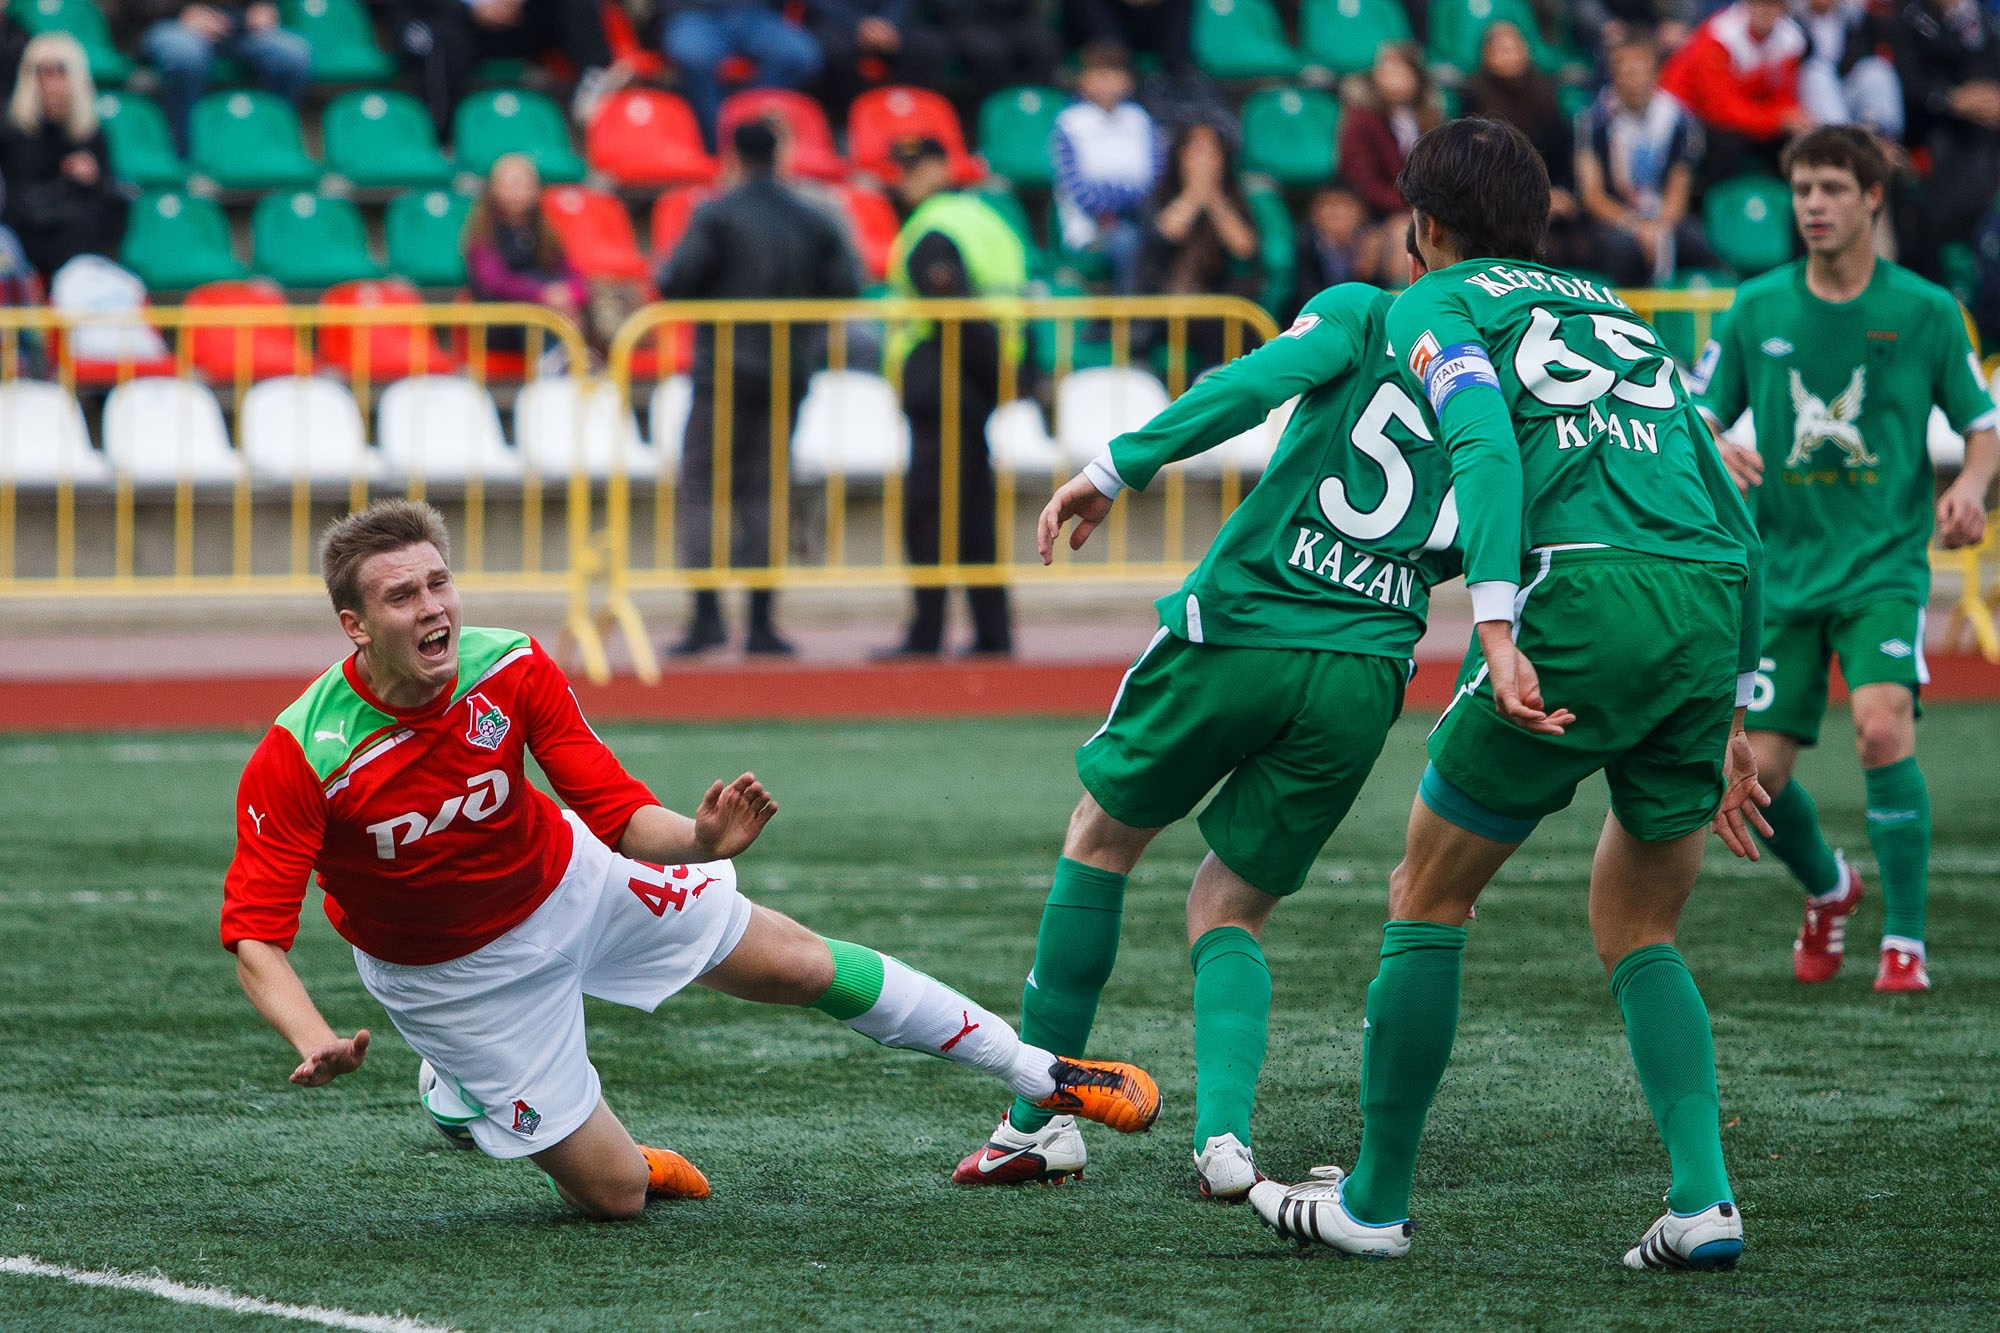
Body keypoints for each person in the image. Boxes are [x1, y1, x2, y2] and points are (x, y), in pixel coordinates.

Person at [222, 499, 1161, 1220]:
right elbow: (257, 936)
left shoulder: (508, 665)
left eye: (439, 583)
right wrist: (312, 1036)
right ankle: (460, 1090)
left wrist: (701, 841)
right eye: (403, 596)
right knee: (616, 1197)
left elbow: (616, 810)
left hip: (573, 881)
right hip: (453, 978)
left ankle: (1041, 1073)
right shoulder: (302, 751)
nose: (434, 607)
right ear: (355, 625)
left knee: (800, 962)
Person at [1249, 118, 1769, 1272]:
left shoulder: (1433, 301)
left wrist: (1492, 626)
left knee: (1425, 893)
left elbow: (1481, 442)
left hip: (1575, 599)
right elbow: (1729, 511)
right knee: (1640, 924)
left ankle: (1373, 1201)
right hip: (1701, 608)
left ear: (1424, 226)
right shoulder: (1613, 310)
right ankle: (1702, 1200)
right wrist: (1734, 702)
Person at [950, 279, 1462, 1197]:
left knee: (1099, 839)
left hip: (1247, 625)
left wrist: (1117, 466)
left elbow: (1253, 384)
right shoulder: (1511, 366)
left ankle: (1036, 1123)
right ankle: (1224, 1142)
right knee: (1230, 907)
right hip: (1370, 663)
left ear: (1423, 227)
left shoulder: (1368, 312)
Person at [1693, 127, 1998, 993]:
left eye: (1831, 188)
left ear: (1872, 197)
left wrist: (1970, 485)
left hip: (1882, 567)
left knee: (1880, 724)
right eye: (1802, 190)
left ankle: (1905, 942)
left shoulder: (1926, 309)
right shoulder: (1756, 306)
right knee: (1759, 773)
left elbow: (1982, 426)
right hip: (1779, 573)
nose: (1813, 205)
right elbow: (1697, 416)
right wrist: (1713, 447)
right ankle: (1830, 887)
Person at [657, 119, 860, 658]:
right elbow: (846, 284)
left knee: (703, 487)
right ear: (780, 155)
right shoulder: (812, 216)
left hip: (722, 371)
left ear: (733, 157)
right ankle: (762, 623)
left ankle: (707, 617)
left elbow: (676, 280)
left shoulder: (716, 213)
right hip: (786, 370)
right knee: (766, 492)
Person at [877, 135, 1024, 657]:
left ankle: (927, 633)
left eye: (914, 167)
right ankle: (992, 632)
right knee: (973, 514)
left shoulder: (931, 230)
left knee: (930, 514)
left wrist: (990, 369)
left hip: (945, 383)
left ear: (942, 167)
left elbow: (956, 316)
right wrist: (1005, 375)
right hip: (976, 385)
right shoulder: (987, 220)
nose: (905, 178)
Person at [1574, 36, 1719, 285]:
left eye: (1640, 70)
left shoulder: (1680, 120)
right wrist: (1635, 225)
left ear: (1655, 73)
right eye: (1626, 71)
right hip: (1615, 217)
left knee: (1699, 247)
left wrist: (1657, 228)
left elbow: (1678, 189)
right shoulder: (1592, 120)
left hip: (1663, 214)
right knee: (1622, 250)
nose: (1634, 79)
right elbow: (1592, 196)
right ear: (1614, 74)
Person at [394, 0, 619, 144]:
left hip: (517, 20)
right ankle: (443, 141)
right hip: (457, 23)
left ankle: (593, 80)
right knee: (441, 42)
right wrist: (472, 8)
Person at [0, 34, 126, 285]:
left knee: (96, 214)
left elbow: (106, 196)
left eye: (61, 71)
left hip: (71, 234)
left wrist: (94, 178)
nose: (52, 81)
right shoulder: (10, 128)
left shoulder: (91, 132)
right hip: (22, 226)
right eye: (43, 72)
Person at [1133, 120, 1257, 369]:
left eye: (1211, 153)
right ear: (1180, 157)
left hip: (1219, 305)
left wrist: (1213, 200)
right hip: (1164, 305)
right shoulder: (1159, 197)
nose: (1203, 161)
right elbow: (1164, 236)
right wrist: (1193, 197)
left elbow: (1244, 248)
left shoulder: (1236, 199)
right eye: (1196, 151)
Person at [1890, 0, 2000, 282]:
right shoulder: (1908, 20)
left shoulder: (1986, 21)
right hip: (1933, 134)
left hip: (1986, 134)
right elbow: (1908, 82)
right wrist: (1951, 98)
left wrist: (1989, 102)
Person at [1659, 0, 1811, 183]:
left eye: (1773, 4)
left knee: (1793, 140)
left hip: (1746, 111)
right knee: (1727, 143)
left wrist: (1792, 119)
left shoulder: (1790, 39)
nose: (1765, 10)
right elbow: (1720, 109)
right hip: (1687, 109)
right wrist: (1777, 120)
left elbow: (1783, 96)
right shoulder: (1720, 35)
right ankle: (1714, 198)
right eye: (1759, 4)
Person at [1049, 42, 1159, 293]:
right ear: (1083, 79)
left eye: (1114, 72)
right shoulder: (1069, 124)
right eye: (1099, 72)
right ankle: (1128, 314)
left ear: (1128, 80)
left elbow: (1152, 179)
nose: (1107, 81)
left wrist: (1124, 199)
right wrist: (1119, 202)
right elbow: (1078, 189)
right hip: (1090, 227)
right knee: (1127, 240)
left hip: (1143, 217)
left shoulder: (1140, 120)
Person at [138, 0, 312, 157]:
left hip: (241, 25)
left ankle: (272, 147)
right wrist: (180, 11)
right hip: (173, 22)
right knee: (185, 56)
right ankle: (185, 155)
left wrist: (264, 5)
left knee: (293, 55)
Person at [1337, 42, 1443, 288]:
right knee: (1402, 231)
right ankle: (1400, 296)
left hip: (1421, 207)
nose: (1393, 78)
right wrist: (1412, 205)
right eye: (1387, 70)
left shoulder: (1430, 118)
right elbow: (1363, 184)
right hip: (1374, 212)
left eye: (1401, 70)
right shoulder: (1361, 120)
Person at [462, 153, 586, 360]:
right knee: (530, 313)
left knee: (575, 308)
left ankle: (575, 359)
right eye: (511, 184)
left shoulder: (546, 231)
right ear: (494, 189)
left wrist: (568, 294)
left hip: (550, 312)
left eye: (524, 183)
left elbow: (573, 275)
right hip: (501, 322)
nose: (518, 190)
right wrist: (541, 294)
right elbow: (495, 281)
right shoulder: (483, 234)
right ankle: (554, 360)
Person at [658, 0, 823, 151]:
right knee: (693, 55)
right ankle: (718, 147)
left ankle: (753, 136)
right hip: (693, 12)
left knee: (798, 56)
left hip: (756, 13)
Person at [804, 0, 949, 119]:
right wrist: (859, 25)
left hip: (889, 24)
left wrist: (889, 24)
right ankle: (847, 122)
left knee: (928, 48)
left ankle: (905, 118)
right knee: (836, 53)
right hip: (836, 24)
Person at [1793, 0, 1901, 139]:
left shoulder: (1854, 19)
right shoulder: (1794, 23)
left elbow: (1861, 56)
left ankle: (1882, 137)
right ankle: (1842, 139)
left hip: (1846, 90)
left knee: (1876, 68)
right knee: (1816, 71)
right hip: (1810, 100)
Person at [1289, 179, 1381, 322]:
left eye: (1342, 205)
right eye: (1327, 205)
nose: (1335, 213)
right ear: (1313, 213)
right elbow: (1303, 296)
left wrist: (1366, 272)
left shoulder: (1372, 246)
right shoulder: (1303, 246)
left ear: (1360, 212)